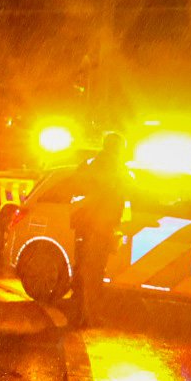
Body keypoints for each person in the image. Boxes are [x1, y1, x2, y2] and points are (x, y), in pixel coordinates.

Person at [69, 132, 130, 327]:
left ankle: (80, 313)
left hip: (88, 225)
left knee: (85, 270)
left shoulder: (92, 163)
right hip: (99, 226)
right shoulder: (112, 167)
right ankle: (88, 317)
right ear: (117, 148)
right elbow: (127, 188)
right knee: (93, 272)